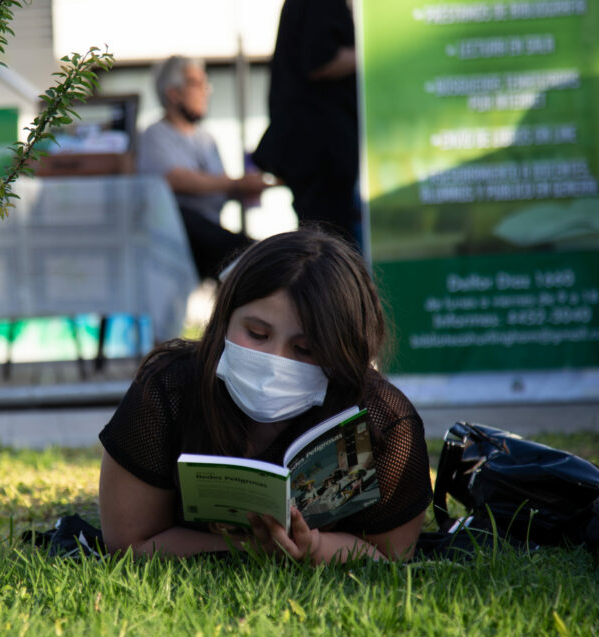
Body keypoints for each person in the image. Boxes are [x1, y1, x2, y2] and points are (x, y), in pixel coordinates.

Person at [97, 229, 432, 563]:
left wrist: (312, 549)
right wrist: (253, 549)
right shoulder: (169, 389)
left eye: (305, 349)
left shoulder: (383, 421)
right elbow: (128, 540)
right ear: (225, 318)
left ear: (343, 351)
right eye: (257, 333)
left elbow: (392, 553)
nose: (275, 362)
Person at [138, 55, 269, 280]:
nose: (206, 91)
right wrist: (234, 183)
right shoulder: (155, 134)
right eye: (197, 83)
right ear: (173, 93)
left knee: (246, 258)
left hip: (209, 232)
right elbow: (175, 179)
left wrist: (248, 187)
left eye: (205, 84)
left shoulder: (207, 138)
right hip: (175, 238)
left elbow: (219, 186)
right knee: (247, 256)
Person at [253, 0, 360, 249]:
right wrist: (374, 49)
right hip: (320, 147)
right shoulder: (319, 5)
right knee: (327, 247)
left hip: (311, 145)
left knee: (324, 241)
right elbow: (321, 59)